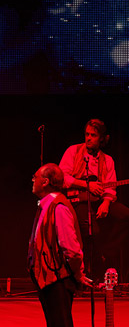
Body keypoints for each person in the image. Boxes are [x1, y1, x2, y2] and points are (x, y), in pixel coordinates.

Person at [28, 163, 91, 327]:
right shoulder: (47, 205)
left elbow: (71, 248)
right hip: (49, 277)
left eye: (35, 177)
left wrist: (77, 273)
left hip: (58, 277)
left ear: (45, 182)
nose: (32, 180)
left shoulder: (59, 207)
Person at [59, 119, 129, 281]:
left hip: (99, 199)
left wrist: (106, 202)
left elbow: (111, 186)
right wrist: (86, 185)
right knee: (92, 230)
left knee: (126, 216)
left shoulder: (108, 160)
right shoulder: (73, 151)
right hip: (78, 200)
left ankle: (107, 250)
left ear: (102, 138)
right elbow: (62, 177)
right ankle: (92, 268)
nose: (89, 138)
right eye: (87, 134)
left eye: (93, 135)